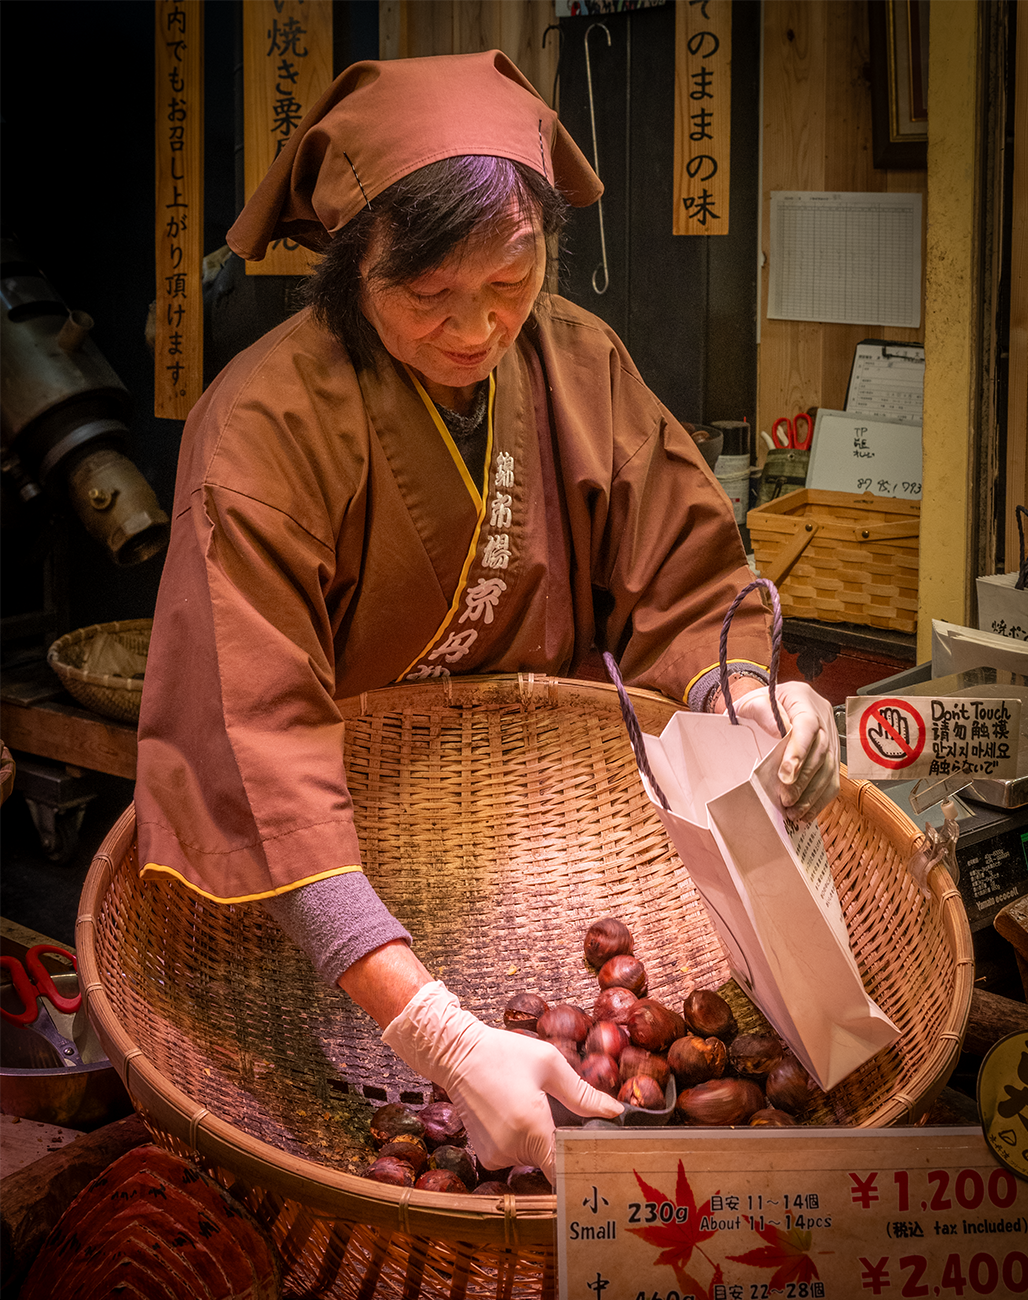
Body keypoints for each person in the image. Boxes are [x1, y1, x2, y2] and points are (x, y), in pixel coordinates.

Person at [134, 51, 839, 1184]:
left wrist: (747, 694)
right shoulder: (261, 429)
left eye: (512, 280)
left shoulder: (577, 360)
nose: (478, 328)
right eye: (428, 296)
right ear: (348, 267)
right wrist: (442, 1036)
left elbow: (684, 575)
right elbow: (254, 745)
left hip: (541, 841)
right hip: (339, 878)